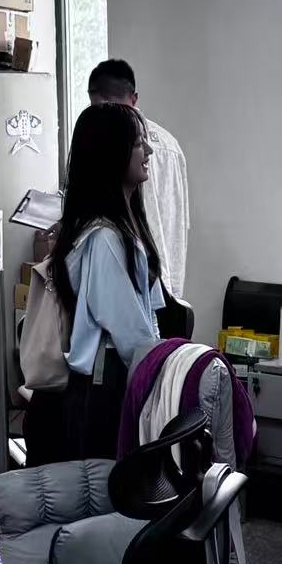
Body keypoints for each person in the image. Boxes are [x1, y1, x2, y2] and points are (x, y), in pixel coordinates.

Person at [50, 103, 166, 461]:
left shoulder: (125, 230)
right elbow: (131, 333)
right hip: (107, 388)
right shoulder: (104, 239)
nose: (148, 151)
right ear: (111, 154)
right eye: (139, 143)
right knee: (112, 486)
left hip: (118, 379)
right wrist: (170, 373)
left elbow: (150, 313)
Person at [90, 59, 189, 300]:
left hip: (139, 279)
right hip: (163, 279)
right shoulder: (170, 144)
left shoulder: (111, 146)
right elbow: (182, 221)